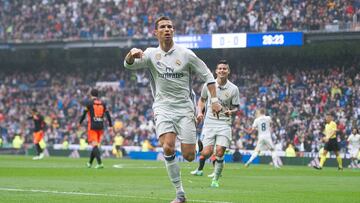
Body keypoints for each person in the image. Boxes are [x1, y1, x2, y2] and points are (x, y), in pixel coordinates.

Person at [123, 16, 222, 203]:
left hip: (185, 108)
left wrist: (215, 100)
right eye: (162, 27)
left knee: (189, 156)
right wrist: (130, 55)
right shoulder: (151, 54)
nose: (167, 29)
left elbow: (208, 76)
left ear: (173, 31)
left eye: (170, 26)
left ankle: (196, 139)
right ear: (156, 32)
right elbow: (129, 66)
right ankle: (180, 193)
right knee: (167, 147)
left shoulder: (186, 54)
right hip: (162, 107)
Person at [190, 60, 240, 188]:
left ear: (228, 71)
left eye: (225, 68)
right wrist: (199, 112)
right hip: (209, 123)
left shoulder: (234, 89)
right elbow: (201, 101)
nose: (222, 70)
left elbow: (236, 108)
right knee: (206, 153)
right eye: (220, 69)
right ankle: (200, 153)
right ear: (216, 71)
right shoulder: (208, 85)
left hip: (224, 124)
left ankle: (215, 180)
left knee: (219, 152)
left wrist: (231, 111)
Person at [79, 88, 113, 169]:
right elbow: (108, 114)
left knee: (94, 146)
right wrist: (110, 124)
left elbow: (84, 113)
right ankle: (90, 163)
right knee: (95, 145)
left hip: (92, 126)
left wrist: (80, 122)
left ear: (91, 95)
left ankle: (100, 163)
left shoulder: (89, 103)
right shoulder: (103, 103)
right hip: (100, 126)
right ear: (98, 95)